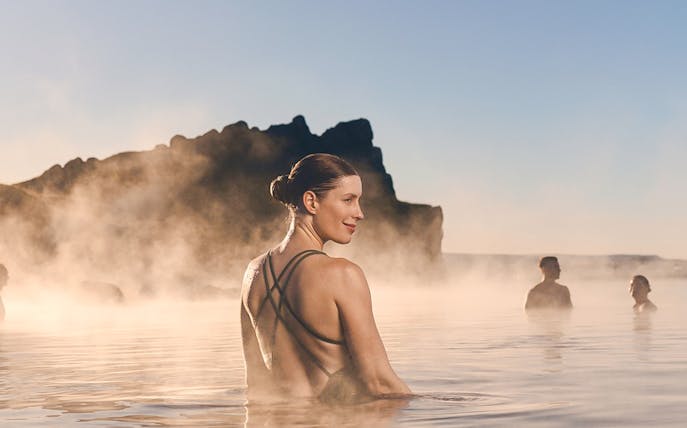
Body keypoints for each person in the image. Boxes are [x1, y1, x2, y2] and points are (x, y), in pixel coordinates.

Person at [240, 153, 411, 404]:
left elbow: (255, 385)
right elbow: (380, 383)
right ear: (311, 201)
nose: (359, 213)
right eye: (348, 200)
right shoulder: (342, 275)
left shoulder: (252, 274)